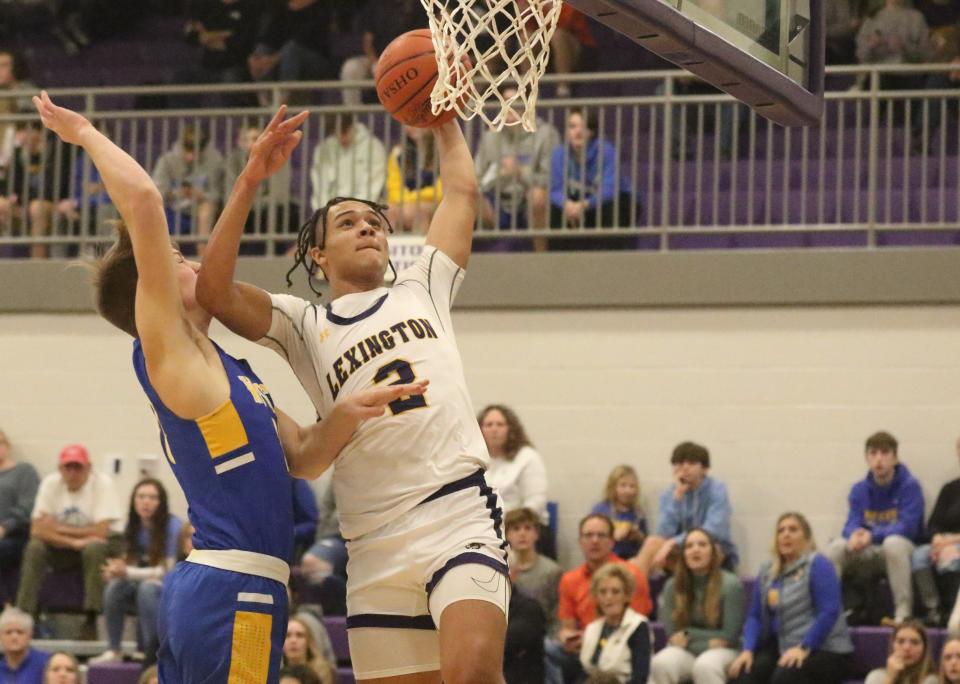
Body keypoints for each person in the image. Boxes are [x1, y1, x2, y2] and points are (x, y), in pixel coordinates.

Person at [30, 92, 425, 682]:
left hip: (230, 587)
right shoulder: (166, 350)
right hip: (231, 587)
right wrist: (84, 130)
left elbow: (305, 458)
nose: (189, 263)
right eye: (175, 261)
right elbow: (143, 199)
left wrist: (353, 410)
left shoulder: (228, 368)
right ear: (150, 292)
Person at [195, 115, 512, 683]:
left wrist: (443, 125)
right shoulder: (303, 324)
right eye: (347, 223)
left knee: (472, 676)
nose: (368, 228)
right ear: (317, 255)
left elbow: (461, 191)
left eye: (375, 222)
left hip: (454, 511)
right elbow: (212, 291)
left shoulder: (423, 287)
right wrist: (249, 180)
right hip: (371, 542)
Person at [728, 512, 853, 684]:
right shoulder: (767, 571)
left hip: (826, 649)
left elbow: (829, 611)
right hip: (782, 646)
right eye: (781, 531)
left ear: (807, 538)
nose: (786, 534)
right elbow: (754, 616)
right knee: (745, 673)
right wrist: (747, 650)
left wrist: (804, 647)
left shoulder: (818, 564)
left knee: (786, 677)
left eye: (793, 530)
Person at [16, 443, 122, 637]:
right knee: (35, 548)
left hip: (102, 546)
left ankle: (91, 619)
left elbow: (100, 532)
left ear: (88, 468)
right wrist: (73, 541)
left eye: (78, 467)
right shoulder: (50, 483)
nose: (72, 473)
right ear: (60, 469)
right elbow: (36, 531)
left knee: (93, 548)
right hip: (66, 547)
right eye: (68, 467)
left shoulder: (103, 484)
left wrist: (55, 527)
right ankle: (25, 615)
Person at [825, 431, 925, 623]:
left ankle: (903, 614)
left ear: (895, 458)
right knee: (836, 547)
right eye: (873, 453)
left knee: (893, 543)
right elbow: (851, 522)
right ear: (867, 458)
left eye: (885, 453)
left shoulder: (910, 486)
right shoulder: (859, 489)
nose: (879, 459)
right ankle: (831, 613)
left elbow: (908, 527)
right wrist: (853, 536)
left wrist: (872, 535)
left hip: (902, 551)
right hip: (869, 551)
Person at [549, 514, 652, 684]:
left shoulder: (632, 575)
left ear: (612, 541)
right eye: (588, 535)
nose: (594, 541)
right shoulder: (569, 579)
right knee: (547, 648)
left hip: (622, 654)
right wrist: (570, 637)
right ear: (580, 541)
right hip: (584, 647)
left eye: (601, 535)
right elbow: (567, 627)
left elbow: (632, 619)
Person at [92, 478, 183, 664]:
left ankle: (152, 652)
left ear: (161, 502)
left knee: (147, 589)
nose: (146, 502)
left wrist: (128, 572)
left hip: (170, 586)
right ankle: (113, 649)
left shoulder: (174, 526)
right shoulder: (132, 526)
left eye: (152, 497)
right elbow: (129, 562)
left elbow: (169, 569)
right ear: (134, 501)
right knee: (115, 586)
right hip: (144, 582)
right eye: (141, 497)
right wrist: (115, 571)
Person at [650, 529, 744, 684]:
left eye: (702, 544)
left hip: (726, 650)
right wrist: (708, 641)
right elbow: (673, 633)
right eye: (689, 546)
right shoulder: (672, 586)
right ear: (683, 554)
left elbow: (730, 635)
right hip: (689, 649)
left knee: (705, 665)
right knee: (661, 662)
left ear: (713, 552)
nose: (695, 549)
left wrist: (688, 633)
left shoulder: (731, 584)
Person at [632, 442, 737, 575]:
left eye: (692, 463)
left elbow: (714, 530)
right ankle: (634, 593)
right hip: (681, 552)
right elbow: (664, 533)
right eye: (680, 463)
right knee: (652, 543)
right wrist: (677, 498)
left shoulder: (717, 490)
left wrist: (674, 541)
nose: (685, 468)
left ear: (704, 469)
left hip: (715, 551)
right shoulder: (669, 494)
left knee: (709, 548)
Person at [473, 94, 560, 242]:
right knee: (468, 196)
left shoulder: (546, 134)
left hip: (528, 199)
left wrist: (520, 172)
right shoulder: (490, 137)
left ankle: (541, 256)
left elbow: (552, 179)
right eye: (505, 102)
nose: (509, 108)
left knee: (538, 196)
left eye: (515, 103)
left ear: (527, 104)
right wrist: (496, 175)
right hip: (497, 199)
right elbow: (476, 178)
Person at [548, 108, 633, 247]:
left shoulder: (606, 151)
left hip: (612, 201)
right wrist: (567, 205)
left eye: (583, 126)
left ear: (591, 131)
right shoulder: (559, 154)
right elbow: (554, 190)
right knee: (555, 209)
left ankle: (611, 259)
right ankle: (559, 262)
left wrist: (583, 205)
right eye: (573, 127)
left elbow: (609, 190)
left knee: (612, 206)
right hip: (580, 204)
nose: (578, 132)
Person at [222, 119, 296, 255]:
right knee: (230, 212)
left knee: (279, 211)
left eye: (255, 138)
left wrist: (252, 202)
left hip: (266, 210)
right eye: (246, 139)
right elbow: (229, 194)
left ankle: (276, 254)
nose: (251, 144)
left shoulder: (276, 156)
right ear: (239, 142)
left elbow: (279, 196)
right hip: (247, 209)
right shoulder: (232, 161)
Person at [150, 124, 224, 254]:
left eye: (195, 152)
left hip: (199, 207)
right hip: (171, 206)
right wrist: (175, 193)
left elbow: (216, 194)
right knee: (153, 208)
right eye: (187, 151)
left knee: (206, 208)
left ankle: (203, 255)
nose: (191, 157)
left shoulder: (214, 161)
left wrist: (201, 195)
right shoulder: (167, 160)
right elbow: (157, 191)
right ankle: (161, 256)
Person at [913, 436, 960, 627]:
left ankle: (951, 609)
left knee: (951, 558)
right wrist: (937, 538)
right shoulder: (950, 489)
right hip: (946, 542)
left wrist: (951, 543)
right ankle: (933, 609)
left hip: (954, 545)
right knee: (918, 556)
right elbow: (933, 523)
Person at [579, 562, 651, 684]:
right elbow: (584, 673)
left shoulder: (638, 626)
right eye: (602, 592)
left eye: (615, 592)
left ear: (627, 596)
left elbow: (640, 678)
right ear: (596, 597)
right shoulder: (592, 629)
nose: (608, 597)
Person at [480, 405, 549, 523]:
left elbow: (535, 501)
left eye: (500, 424)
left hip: (521, 526)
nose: (494, 429)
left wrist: (509, 523)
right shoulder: (473, 460)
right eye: (489, 425)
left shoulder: (527, 457)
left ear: (511, 429)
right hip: (483, 527)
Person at [310, 113, 387, 212]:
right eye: (336, 133)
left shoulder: (374, 147)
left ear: (353, 126)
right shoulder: (323, 149)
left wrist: (353, 213)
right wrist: (323, 214)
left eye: (344, 132)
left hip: (364, 212)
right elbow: (320, 188)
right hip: (330, 213)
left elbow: (372, 189)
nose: (341, 138)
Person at [505, 507, 561, 635]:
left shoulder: (552, 571)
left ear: (536, 534)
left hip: (542, 635)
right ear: (506, 535)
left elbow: (557, 614)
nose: (522, 534)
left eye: (528, 528)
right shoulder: (500, 570)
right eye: (516, 528)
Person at [0, 429, 40, 587]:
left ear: (7, 446)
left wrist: (5, 526)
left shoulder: (24, 471)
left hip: (15, 535)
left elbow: (28, 506)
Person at [385, 124, 442, 233]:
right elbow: (393, 189)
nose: (413, 126)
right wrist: (409, 203)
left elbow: (441, 191)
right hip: (407, 203)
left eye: (418, 122)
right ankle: (389, 249)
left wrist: (411, 201)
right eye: (408, 122)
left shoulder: (444, 151)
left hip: (438, 203)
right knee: (390, 211)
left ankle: (425, 249)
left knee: (420, 211)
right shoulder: (398, 153)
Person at [591, 465, 646, 561]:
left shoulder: (638, 513)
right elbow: (592, 539)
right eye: (623, 485)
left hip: (631, 559)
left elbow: (644, 542)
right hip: (607, 558)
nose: (628, 490)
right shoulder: (602, 510)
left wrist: (638, 536)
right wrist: (613, 535)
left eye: (632, 486)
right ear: (613, 487)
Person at [864, 619, 937, 684]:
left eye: (915, 642)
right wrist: (890, 678)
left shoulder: (932, 680)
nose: (907, 648)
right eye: (900, 641)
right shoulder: (876, 676)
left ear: (924, 648)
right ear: (892, 645)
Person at [0, 607, 49, 682]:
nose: (14, 637)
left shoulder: (47, 664)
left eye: (20, 632)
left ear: (30, 635)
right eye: (8, 632)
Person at [282, 616, 336, 684]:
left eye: (299, 635)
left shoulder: (321, 671)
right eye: (287, 635)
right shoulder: (273, 668)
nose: (293, 641)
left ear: (308, 641)